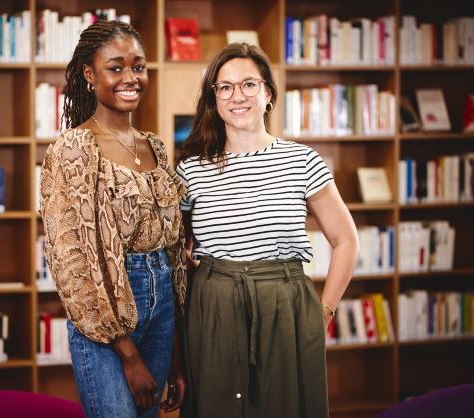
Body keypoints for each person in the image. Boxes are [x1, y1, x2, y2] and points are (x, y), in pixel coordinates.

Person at [176, 43, 360, 418]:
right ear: (214, 98)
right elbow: (174, 247)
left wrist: (323, 312)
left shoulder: (301, 160)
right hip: (214, 307)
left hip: (285, 306)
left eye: (248, 84)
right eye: (224, 87)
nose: (236, 96)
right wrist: (211, 282)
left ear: (269, 94)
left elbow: (345, 241)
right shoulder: (191, 170)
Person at [39, 20, 186, 418]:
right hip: (106, 316)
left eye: (138, 66)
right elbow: (73, 264)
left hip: (163, 307)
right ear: (90, 74)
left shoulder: (154, 145)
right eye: (116, 67)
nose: (131, 78)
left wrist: (177, 354)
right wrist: (128, 354)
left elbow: (173, 247)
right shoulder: (73, 149)